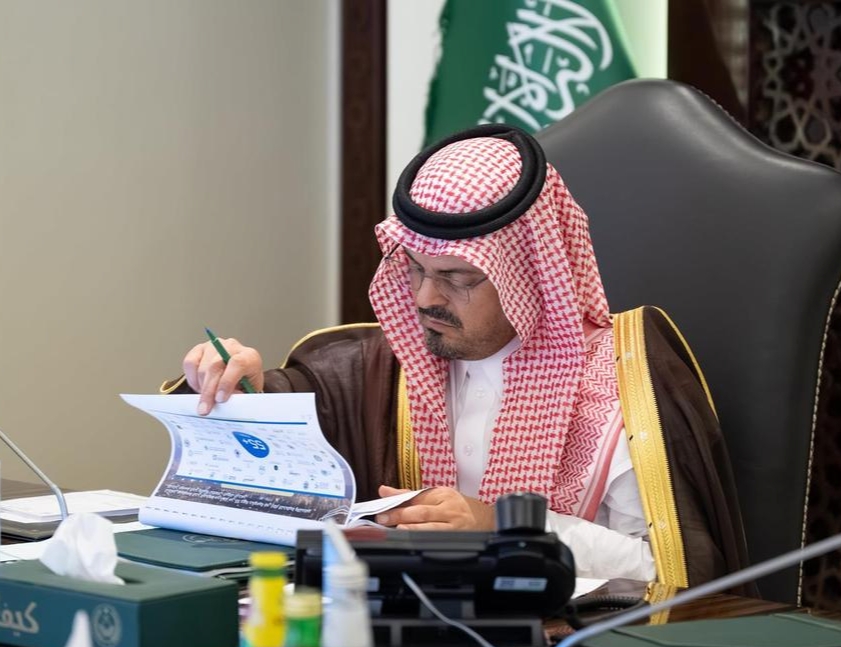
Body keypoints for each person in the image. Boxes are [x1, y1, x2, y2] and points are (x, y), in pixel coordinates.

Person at [170, 124, 751, 588]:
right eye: (415, 269)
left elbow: (666, 574)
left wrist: (501, 527)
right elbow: (283, 443)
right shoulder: (389, 365)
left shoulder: (620, 384)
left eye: (456, 277)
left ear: (529, 275)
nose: (424, 298)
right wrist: (239, 388)